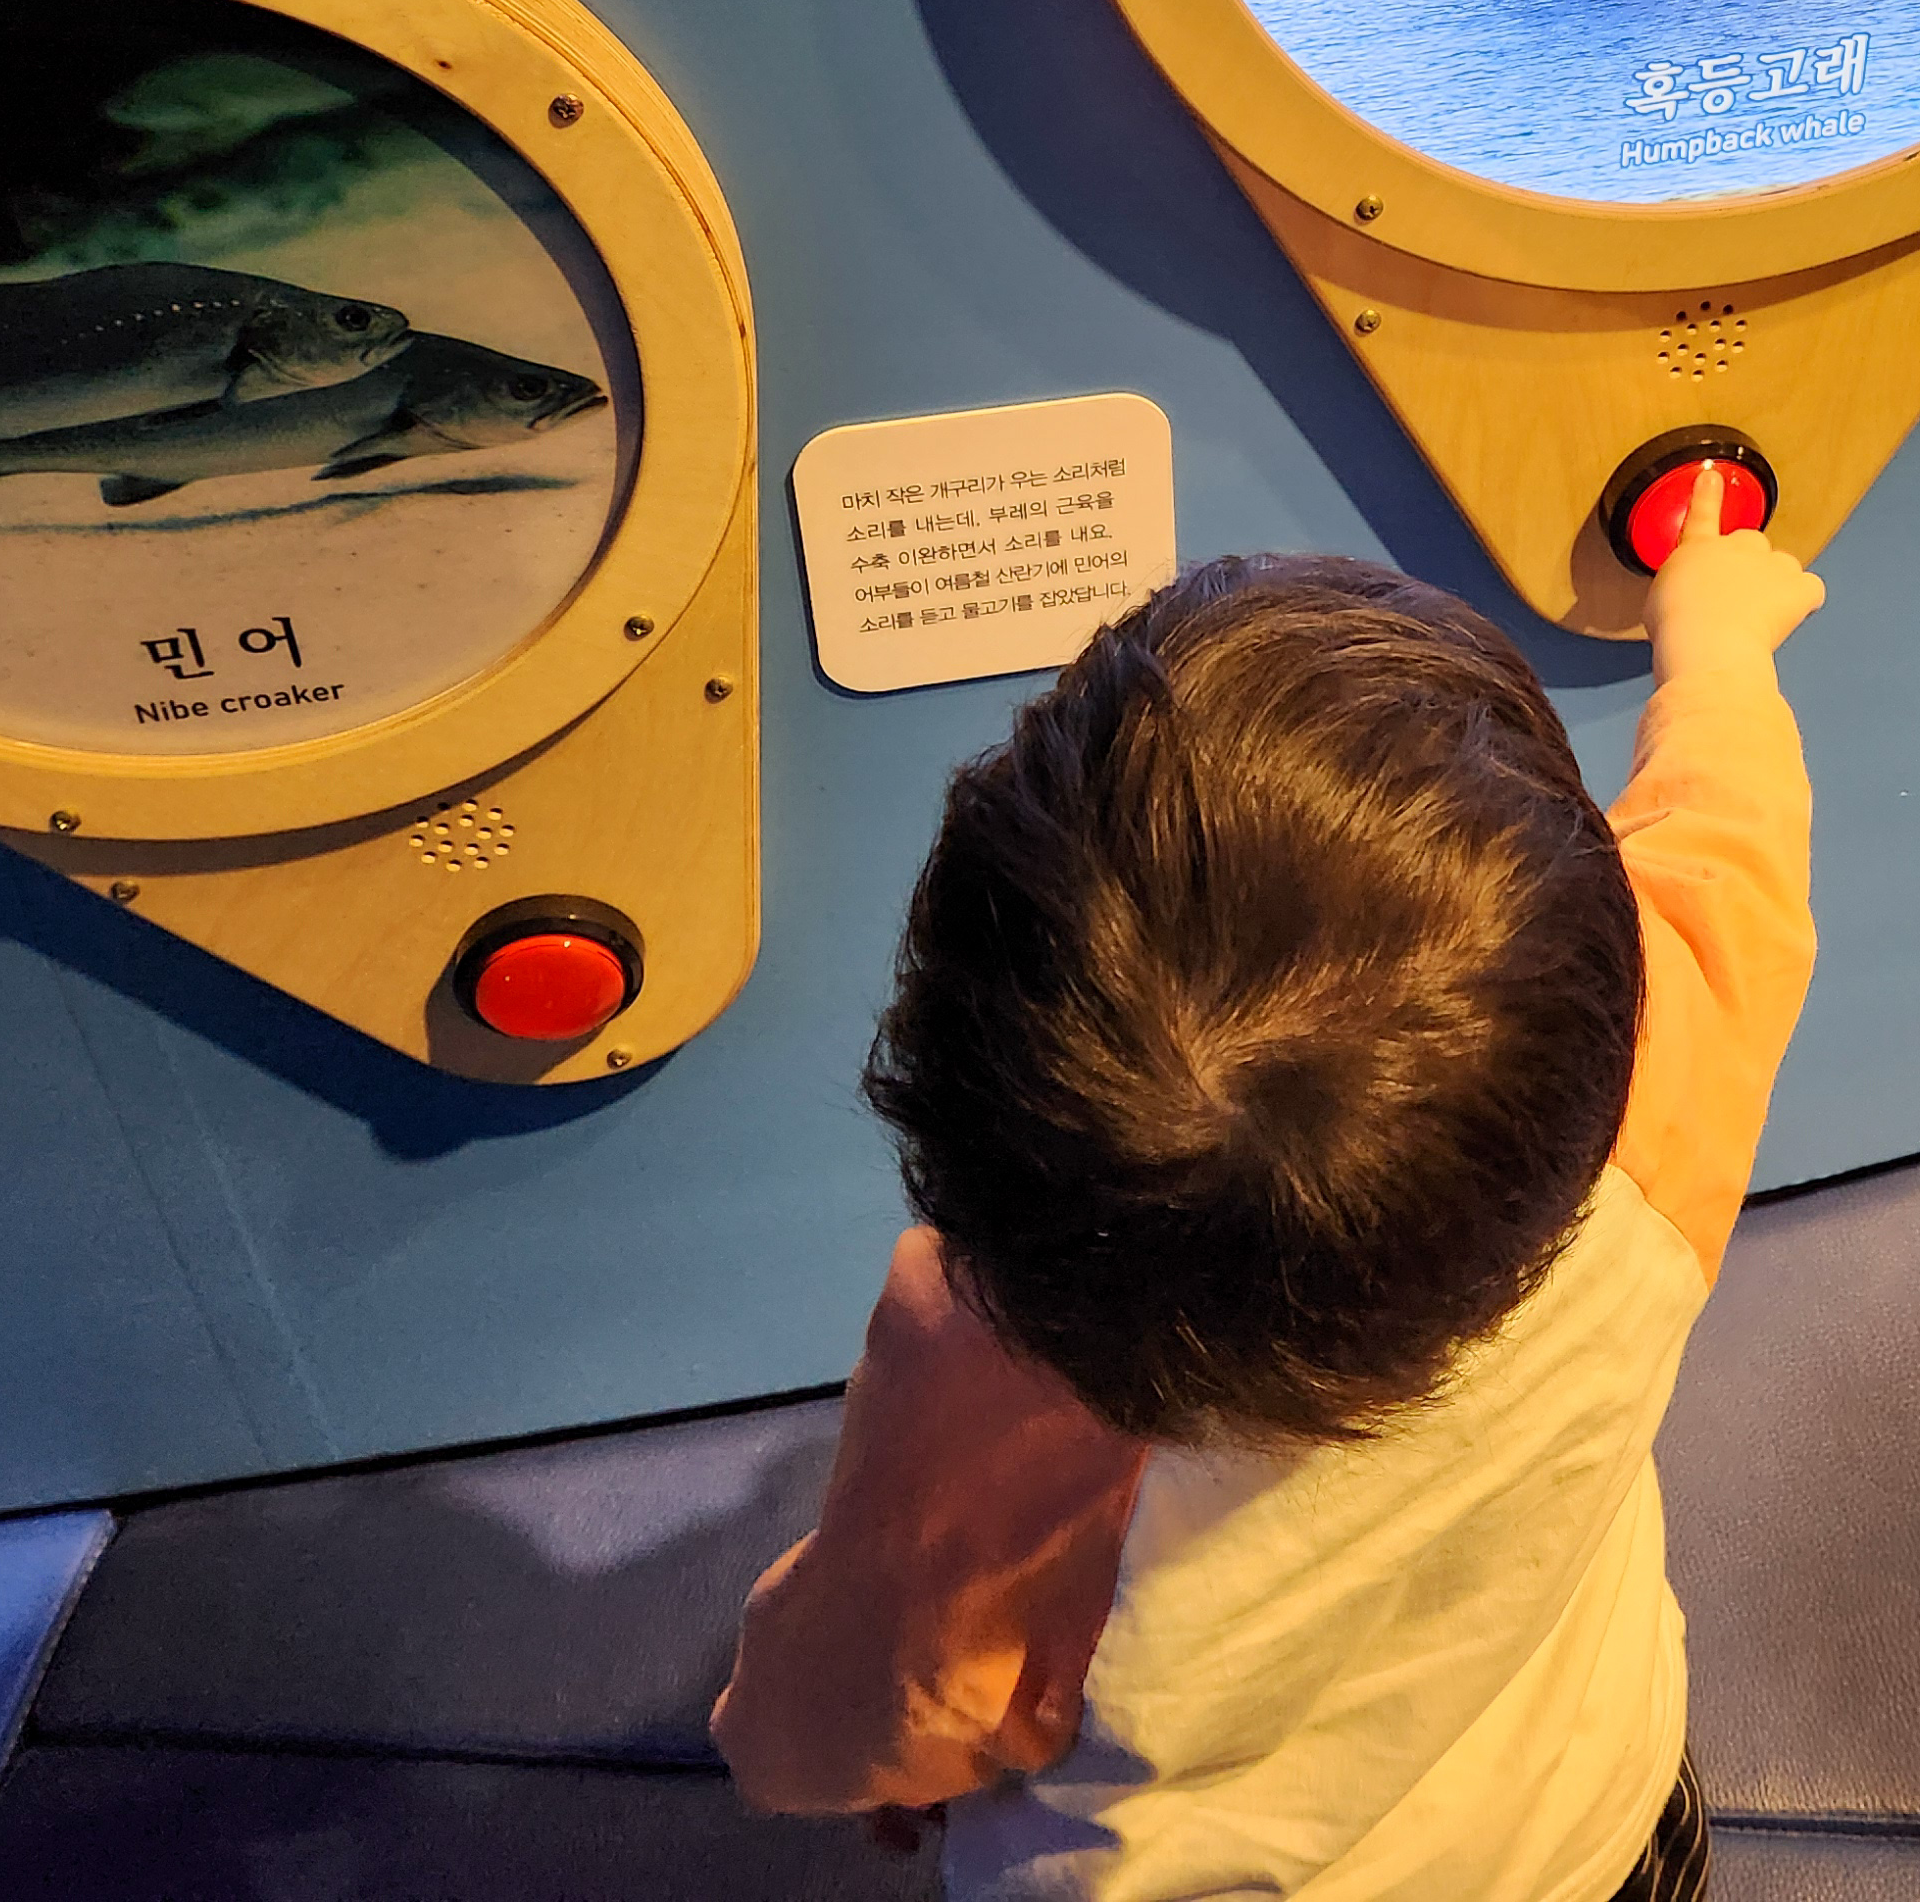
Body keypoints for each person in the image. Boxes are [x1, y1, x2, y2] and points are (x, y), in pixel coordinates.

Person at [714, 465, 1821, 1900]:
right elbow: (1731, 835)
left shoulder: (984, 1382)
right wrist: (1716, 640)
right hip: (1593, 1833)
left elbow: (836, 1721)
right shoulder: (1656, 1106)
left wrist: (813, 1742)